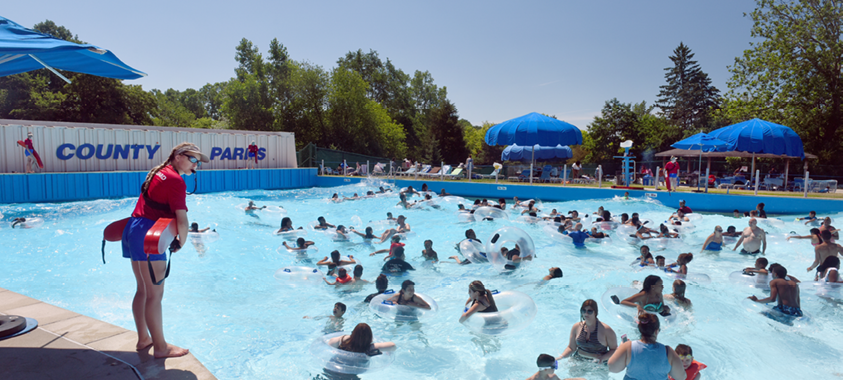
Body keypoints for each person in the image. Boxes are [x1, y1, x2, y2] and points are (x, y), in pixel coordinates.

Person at [122, 142, 208, 358]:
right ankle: (161, 347)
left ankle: (144, 339)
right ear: (178, 156)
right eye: (193, 159)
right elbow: (182, 218)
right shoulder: (175, 180)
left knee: (142, 289)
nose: (196, 166)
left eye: (198, 162)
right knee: (155, 294)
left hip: (134, 229)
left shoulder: (158, 172)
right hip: (149, 235)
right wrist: (182, 241)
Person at [608, 312, 686, 380]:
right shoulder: (668, 352)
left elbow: (613, 368)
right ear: (656, 331)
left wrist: (621, 348)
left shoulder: (628, 347)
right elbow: (681, 377)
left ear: (640, 330)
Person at [557, 299, 619, 364]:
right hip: (579, 361)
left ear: (595, 312)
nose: (585, 313)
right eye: (583, 310)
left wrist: (602, 358)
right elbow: (571, 348)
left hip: (598, 364)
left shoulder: (607, 330)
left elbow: (614, 349)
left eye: (589, 311)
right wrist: (561, 357)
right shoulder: (576, 327)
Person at [327, 323, 396, 357]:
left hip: (331, 369)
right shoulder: (369, 348)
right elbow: (393, 346)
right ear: (369, 337)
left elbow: (330, 342)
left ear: (353, 333)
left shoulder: (344, 340)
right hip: (350, 375)